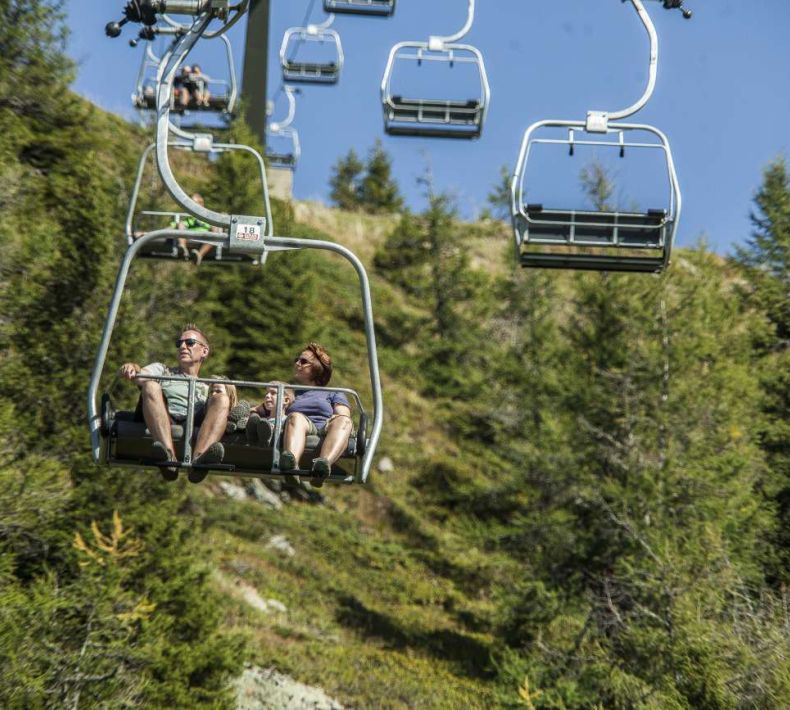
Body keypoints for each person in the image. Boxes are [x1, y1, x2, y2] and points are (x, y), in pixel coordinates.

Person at [118, 324, 230, 483]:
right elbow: (140, 376)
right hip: (164, 414)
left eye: (190, 342)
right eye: (179, 344)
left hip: (195, 418)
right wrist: (132, 368)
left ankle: (199, 460)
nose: (183, 346)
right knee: (150, 385)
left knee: (222, 399)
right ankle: (168, 455)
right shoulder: (162, 370)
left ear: (204, 351)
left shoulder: (207, 387)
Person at [280, 343, 353, 486]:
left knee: (344, 421)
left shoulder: (333, 392)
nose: (297, 364)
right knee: (296, 417)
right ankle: (291, 466)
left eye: (303, 361)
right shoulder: (290, 392)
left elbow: (343, 414)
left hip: (325, 426)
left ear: (317, 368)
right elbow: (270, 408)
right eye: (297, 360)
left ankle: (323, 465)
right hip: (301, 425)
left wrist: (340, 418)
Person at [173, 192, 219, 265]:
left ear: (201, 204)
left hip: (205, 236)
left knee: (215, 231)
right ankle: (182, 247)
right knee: (181, 224)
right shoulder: (190, 217)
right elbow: (182, 224)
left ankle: (199, 255)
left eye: (194, 204)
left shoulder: (207, 216)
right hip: (190, 235)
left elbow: (213, 226)